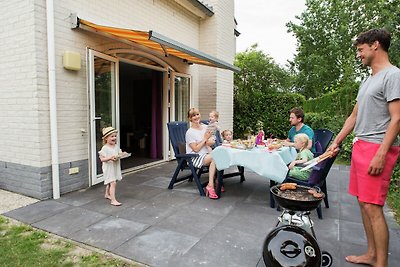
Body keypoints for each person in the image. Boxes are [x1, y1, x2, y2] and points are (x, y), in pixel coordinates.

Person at [328, 28, 400, 267]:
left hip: (377, 147)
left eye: (360, 50)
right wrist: (336, 141)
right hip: (361, 145)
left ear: (375, 45)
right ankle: (371, 254)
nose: (358, 55)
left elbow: (397, 118)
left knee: (373, 206)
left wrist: (381, 153)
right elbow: (353, 116)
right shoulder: (368, 80)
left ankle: (381, 263)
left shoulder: (393, 75)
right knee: (363, 203)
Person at [186, 108, 219, 199]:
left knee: (217, 157)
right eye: (193, 116)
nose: (196, 117)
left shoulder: (205, 127)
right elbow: (196, 149)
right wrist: (205, 139)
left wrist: (211, 140)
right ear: (190, 118)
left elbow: (211, 140)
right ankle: (211, 185)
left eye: (197, 114)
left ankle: (215, 182)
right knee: (214, 158)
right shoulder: (189, 132)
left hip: (206, 154)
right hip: (195, 157)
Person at [98, 126, 125, 206]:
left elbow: (119, 153)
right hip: (108, 168)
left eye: (115, 136)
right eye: (112, 136)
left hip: (114, 166)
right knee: (113, 183)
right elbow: (102, 159)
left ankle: (107, 194)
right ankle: (113, 200)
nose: (114, 138)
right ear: (106, 138)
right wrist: (110, 158)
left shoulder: (116, 146)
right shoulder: (105, 148)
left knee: (111, 181)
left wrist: (123, 154)